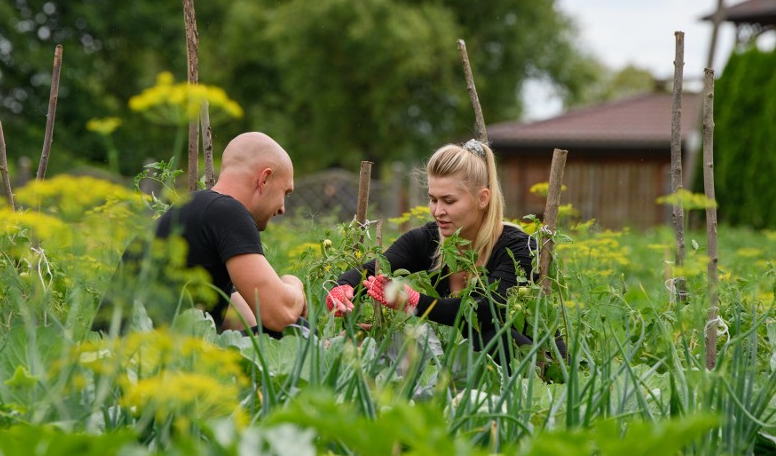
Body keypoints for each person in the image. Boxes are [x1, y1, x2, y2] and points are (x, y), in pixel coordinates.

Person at [325, 139, 565, 363]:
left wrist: (413, 301)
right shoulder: (427, 240)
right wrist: (343, 289)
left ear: (482, 199)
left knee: (486, 332)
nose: (438, 211)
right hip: (469, 364)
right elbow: (372, 269)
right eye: (433, 199)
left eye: (449, 201)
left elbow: (482, 311)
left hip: (537, 365)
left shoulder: (520, 248)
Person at [96, 132, 306, 336]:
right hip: (143, 358)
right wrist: (294, 284)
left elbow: (246, 321)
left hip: (112, 356)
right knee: (299, 332)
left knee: (290, 331)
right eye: (285, 192)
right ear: (265, 179)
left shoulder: (197, 209)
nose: (282, 209)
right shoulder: (228, 212)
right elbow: (279, 316)